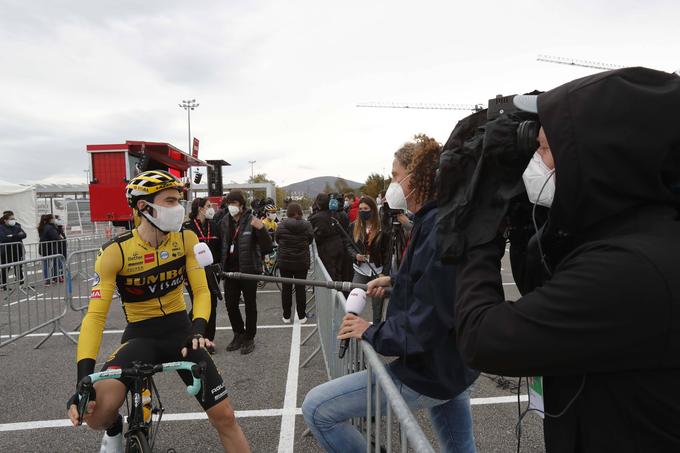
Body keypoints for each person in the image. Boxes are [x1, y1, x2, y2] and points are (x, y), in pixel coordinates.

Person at [453, 68, 680, 452]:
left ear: (598, 158)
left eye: (543, 148)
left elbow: (483, 338)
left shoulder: (632, 268)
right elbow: (540, 281)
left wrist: (479, 231)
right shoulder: (631, 229)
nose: (534, 162)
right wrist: (525, 211)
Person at [302, 135, 479, 453]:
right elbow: (432, 280)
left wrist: (371, 331)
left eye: (396, 175)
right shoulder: (434, 218)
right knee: (460, 447)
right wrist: (395, 281)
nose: (392, 183)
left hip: (430, 370)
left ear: (417, 177)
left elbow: (429, 318)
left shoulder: (439, 225)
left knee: (317, 408)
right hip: (450, 365)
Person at [66, 170, 250, 453]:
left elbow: (201, 291)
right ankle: (115, 426)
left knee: (225, 417)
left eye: (179, 200)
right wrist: (84, 377)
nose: (178, 207)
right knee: (95, 414)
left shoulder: (186, 239)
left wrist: (199, 328)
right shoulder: (115, 252)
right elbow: (95, 317)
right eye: (170, 200)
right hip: (141, 336)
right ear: (143, 206)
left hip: (182, 333)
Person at [218, 190, 273, 355]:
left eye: (234, 203)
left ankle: (249, 337)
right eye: (229, 204)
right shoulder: (224, 222)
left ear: (241, 205)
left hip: (248, 271)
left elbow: (267, 247)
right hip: (229, 272)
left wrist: (262, 229)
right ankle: (238, 333)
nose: (231, 207)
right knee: (231, 305)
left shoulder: (252, 221)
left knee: (250, 306)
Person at [183, 197, 222, 354]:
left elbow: (219, 248)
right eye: (208, 206)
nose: (211, 208)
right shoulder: (187, 227)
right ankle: (193, 335)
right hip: (194, 274)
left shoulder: (214, 225)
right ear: (200, 208)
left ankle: (208, 340)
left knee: (212, 306)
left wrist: (219, 267)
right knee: (198, 306)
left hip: (212, 273)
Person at [344, 196, 389, 324]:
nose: (362, 211)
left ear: (373, 210)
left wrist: (384, 272)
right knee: (354, 299)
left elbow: (388, 253)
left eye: (366, 209)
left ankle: (376, 329)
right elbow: (348, 245)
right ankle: (351, 330)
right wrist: (355, 256)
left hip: (378, 271)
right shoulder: (354, 226)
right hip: (360, 269)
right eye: (360, 209)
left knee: (377, 304)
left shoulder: (383, 228)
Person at [275, 202, 314, 323]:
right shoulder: (307, 225)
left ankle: (286, 316)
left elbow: (277, 239)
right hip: (301, 261)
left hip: (285, 261)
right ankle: (302, 316)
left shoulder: (281, 225)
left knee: (286, 289)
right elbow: (310, 240)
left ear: (288, 213)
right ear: (301, 212)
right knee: (300, 289)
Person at [308, 193, 345, 281]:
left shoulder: (316, 217)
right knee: (338, 274)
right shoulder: (337, 214)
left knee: (329, 276)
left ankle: (334, 293)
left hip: (327, 249)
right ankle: (338, 293)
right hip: (339, 246)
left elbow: (316, 235)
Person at [0, 211, 27, 288]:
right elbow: (4, 238)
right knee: (5, 268)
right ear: (5, 220)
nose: (13, 220)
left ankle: (21, 282)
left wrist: (12, 236)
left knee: (18, 266)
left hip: (17, 250)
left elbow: (24, 235)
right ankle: (3, 284)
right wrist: (17, 236)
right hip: (6, 250)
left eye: (14, 218)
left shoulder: (16, 226)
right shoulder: (1, 228)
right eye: (11, 219)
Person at [38, 214, 66, 283]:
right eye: (54, 218)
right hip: (50, 248)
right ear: (50, 219)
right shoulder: (50, 227)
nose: (55, 220)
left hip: (44, 248)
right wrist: (60, 238)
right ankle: (54, 278)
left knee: (47, 264)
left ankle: (50, 279)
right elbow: (55, 237)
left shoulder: (43, 226)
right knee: (56, 262)